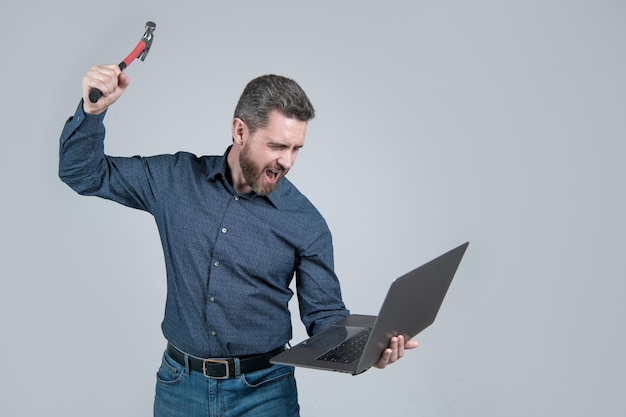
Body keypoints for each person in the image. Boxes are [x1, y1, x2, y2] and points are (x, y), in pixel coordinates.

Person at [59, 64, 418, 417]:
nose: (287, 161)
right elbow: (83, 172)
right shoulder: (175, 181)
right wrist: (93, 112)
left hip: (265, 394)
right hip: (179, 388)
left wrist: (367, 349)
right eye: (277, 145)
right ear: (240, 131)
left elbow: (325, 317)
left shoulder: (307, 222)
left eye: (296, 149)